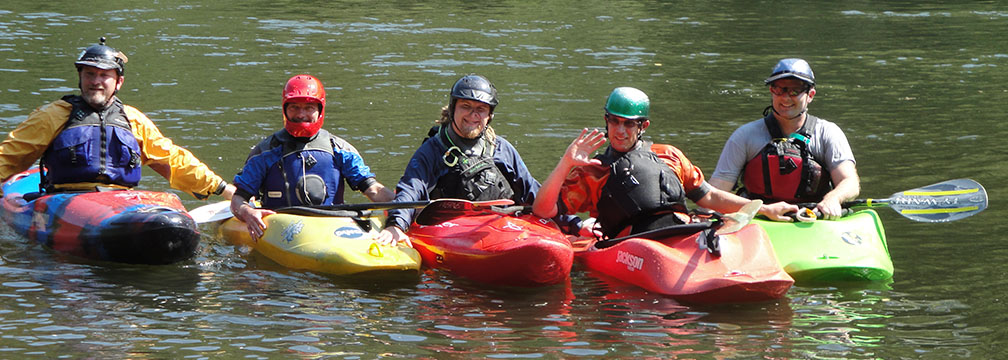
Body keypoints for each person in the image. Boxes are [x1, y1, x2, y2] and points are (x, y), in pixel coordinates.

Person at [532, 87, 797, 240]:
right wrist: (565, 163)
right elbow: (543, 210)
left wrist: (764, 209)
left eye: (629, 123)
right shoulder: (594, 169)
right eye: (614, 121)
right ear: (606, 120)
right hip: (631, 243)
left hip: (682, 231)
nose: (620, 131)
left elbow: (710, 197)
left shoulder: (669, 155)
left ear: (643, 126)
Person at [0, 37, 235, 200]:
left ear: (118, 82)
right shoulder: (53, 115)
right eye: (89, 74)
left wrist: (223, 189)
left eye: (104, 75)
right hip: (65, 199)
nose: (96, 81)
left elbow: (173, 160)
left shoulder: (133, 119)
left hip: (120, 202)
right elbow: (11, 154)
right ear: (80, 77)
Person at [376, 74, 593, 246]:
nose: (473, 116)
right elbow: (409, 192)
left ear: (489, 116)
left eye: (481, 110)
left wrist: (575, 225)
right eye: (466, 107)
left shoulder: (502, 149)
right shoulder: (432, 150)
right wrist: (396, 225)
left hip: (503, 229)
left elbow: (534, 195)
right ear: (453, 109)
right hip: (452, 233)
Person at [230, 74, 395, 238]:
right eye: (294, 107)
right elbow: (237, 199)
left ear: (320, 110)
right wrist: (247, 212)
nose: (301, 114)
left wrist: (403, 210)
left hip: (332, 226)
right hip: (282, 229)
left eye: (309, 108)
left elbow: (373, 190)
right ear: (285, 109)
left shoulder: (340, 149)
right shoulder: (265, 152)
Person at [709, 58, 859, 220]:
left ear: (811, 95)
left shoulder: (828, 133)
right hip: (758, 219)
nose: (786, 98)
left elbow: (850, 181)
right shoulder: (745, 135)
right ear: (771, 91)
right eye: (779, 90)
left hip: (812, 218)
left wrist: (833, 198)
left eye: (794, 91)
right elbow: (716, 191)